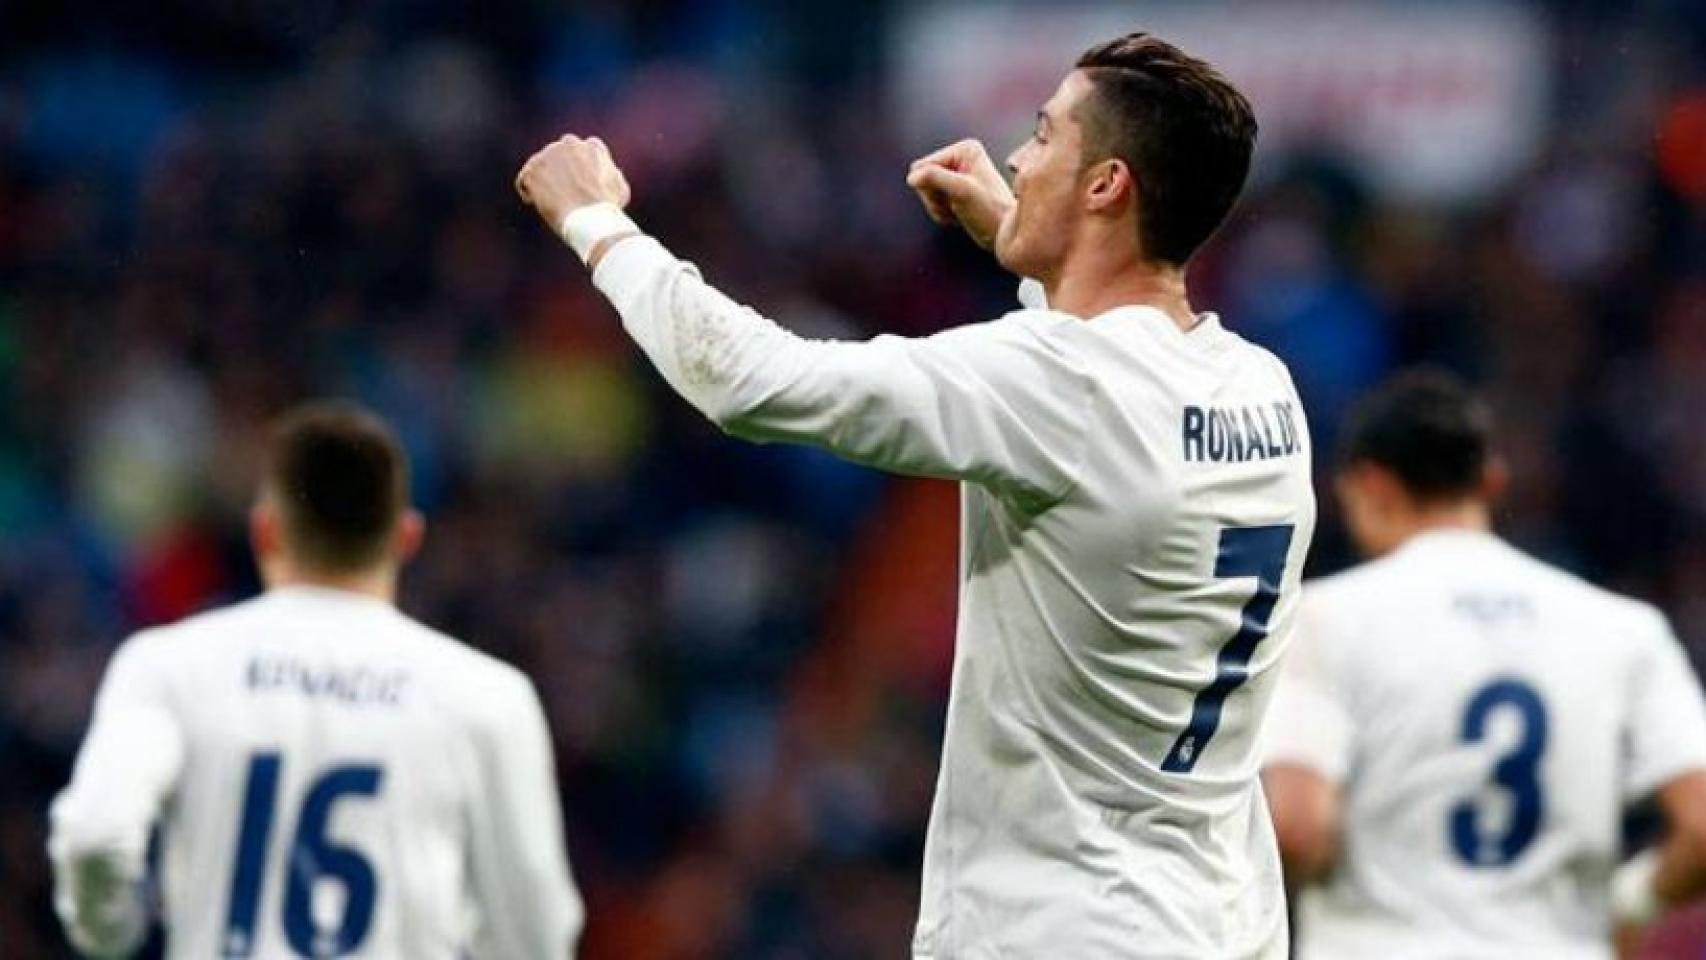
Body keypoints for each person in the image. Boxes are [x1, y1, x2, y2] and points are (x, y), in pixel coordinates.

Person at [517, 32, 1315, 959]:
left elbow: (753, 381)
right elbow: (1105, 400)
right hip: (1216, 920)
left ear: (1106, 186)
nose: (1017, 159)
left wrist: (599, 226)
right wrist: (1034, 250)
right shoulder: (1262, 389)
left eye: (1046, 136)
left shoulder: (1058, 383)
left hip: (1067, 926)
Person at [49, 403, 583, 959]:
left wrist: (110, 935)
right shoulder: (487, 697)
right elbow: (535, 929)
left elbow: (96, 833)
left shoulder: (168, 665)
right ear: (405, 537)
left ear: (265, 531)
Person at [1263, 370, 1706, 958]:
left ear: (1368, 486)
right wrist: (1632, 900)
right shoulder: (1624, 628)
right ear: (1492, 481)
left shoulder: (1327, 618)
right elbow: (1701, 824)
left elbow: (1298, 827)